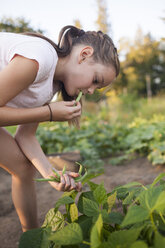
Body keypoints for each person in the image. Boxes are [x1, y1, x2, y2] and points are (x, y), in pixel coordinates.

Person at [0, 25, 120, 232]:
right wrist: (48, 113)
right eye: (96, 80)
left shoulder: (51, 86)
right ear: (84, 55)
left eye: (96, 88)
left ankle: (33, 238)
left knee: (23, 167)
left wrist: (52, 175)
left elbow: (25, 137)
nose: (91, 91)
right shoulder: (39, 58)